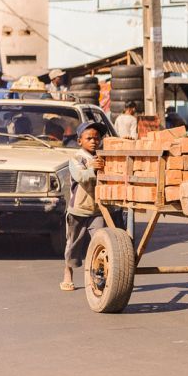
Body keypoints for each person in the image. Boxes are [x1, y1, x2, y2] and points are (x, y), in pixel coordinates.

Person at [61, 121, 108, 291]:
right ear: (80, 141)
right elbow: (81, 177)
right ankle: (68, 272)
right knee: (73, 244)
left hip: (98, 210)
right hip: (78, 209)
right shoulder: (76, 158)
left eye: (97, 138)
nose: (94, 141)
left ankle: (98, 275)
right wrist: (93, 169)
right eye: (89, 138)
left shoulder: (102, 156)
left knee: (100, 242)